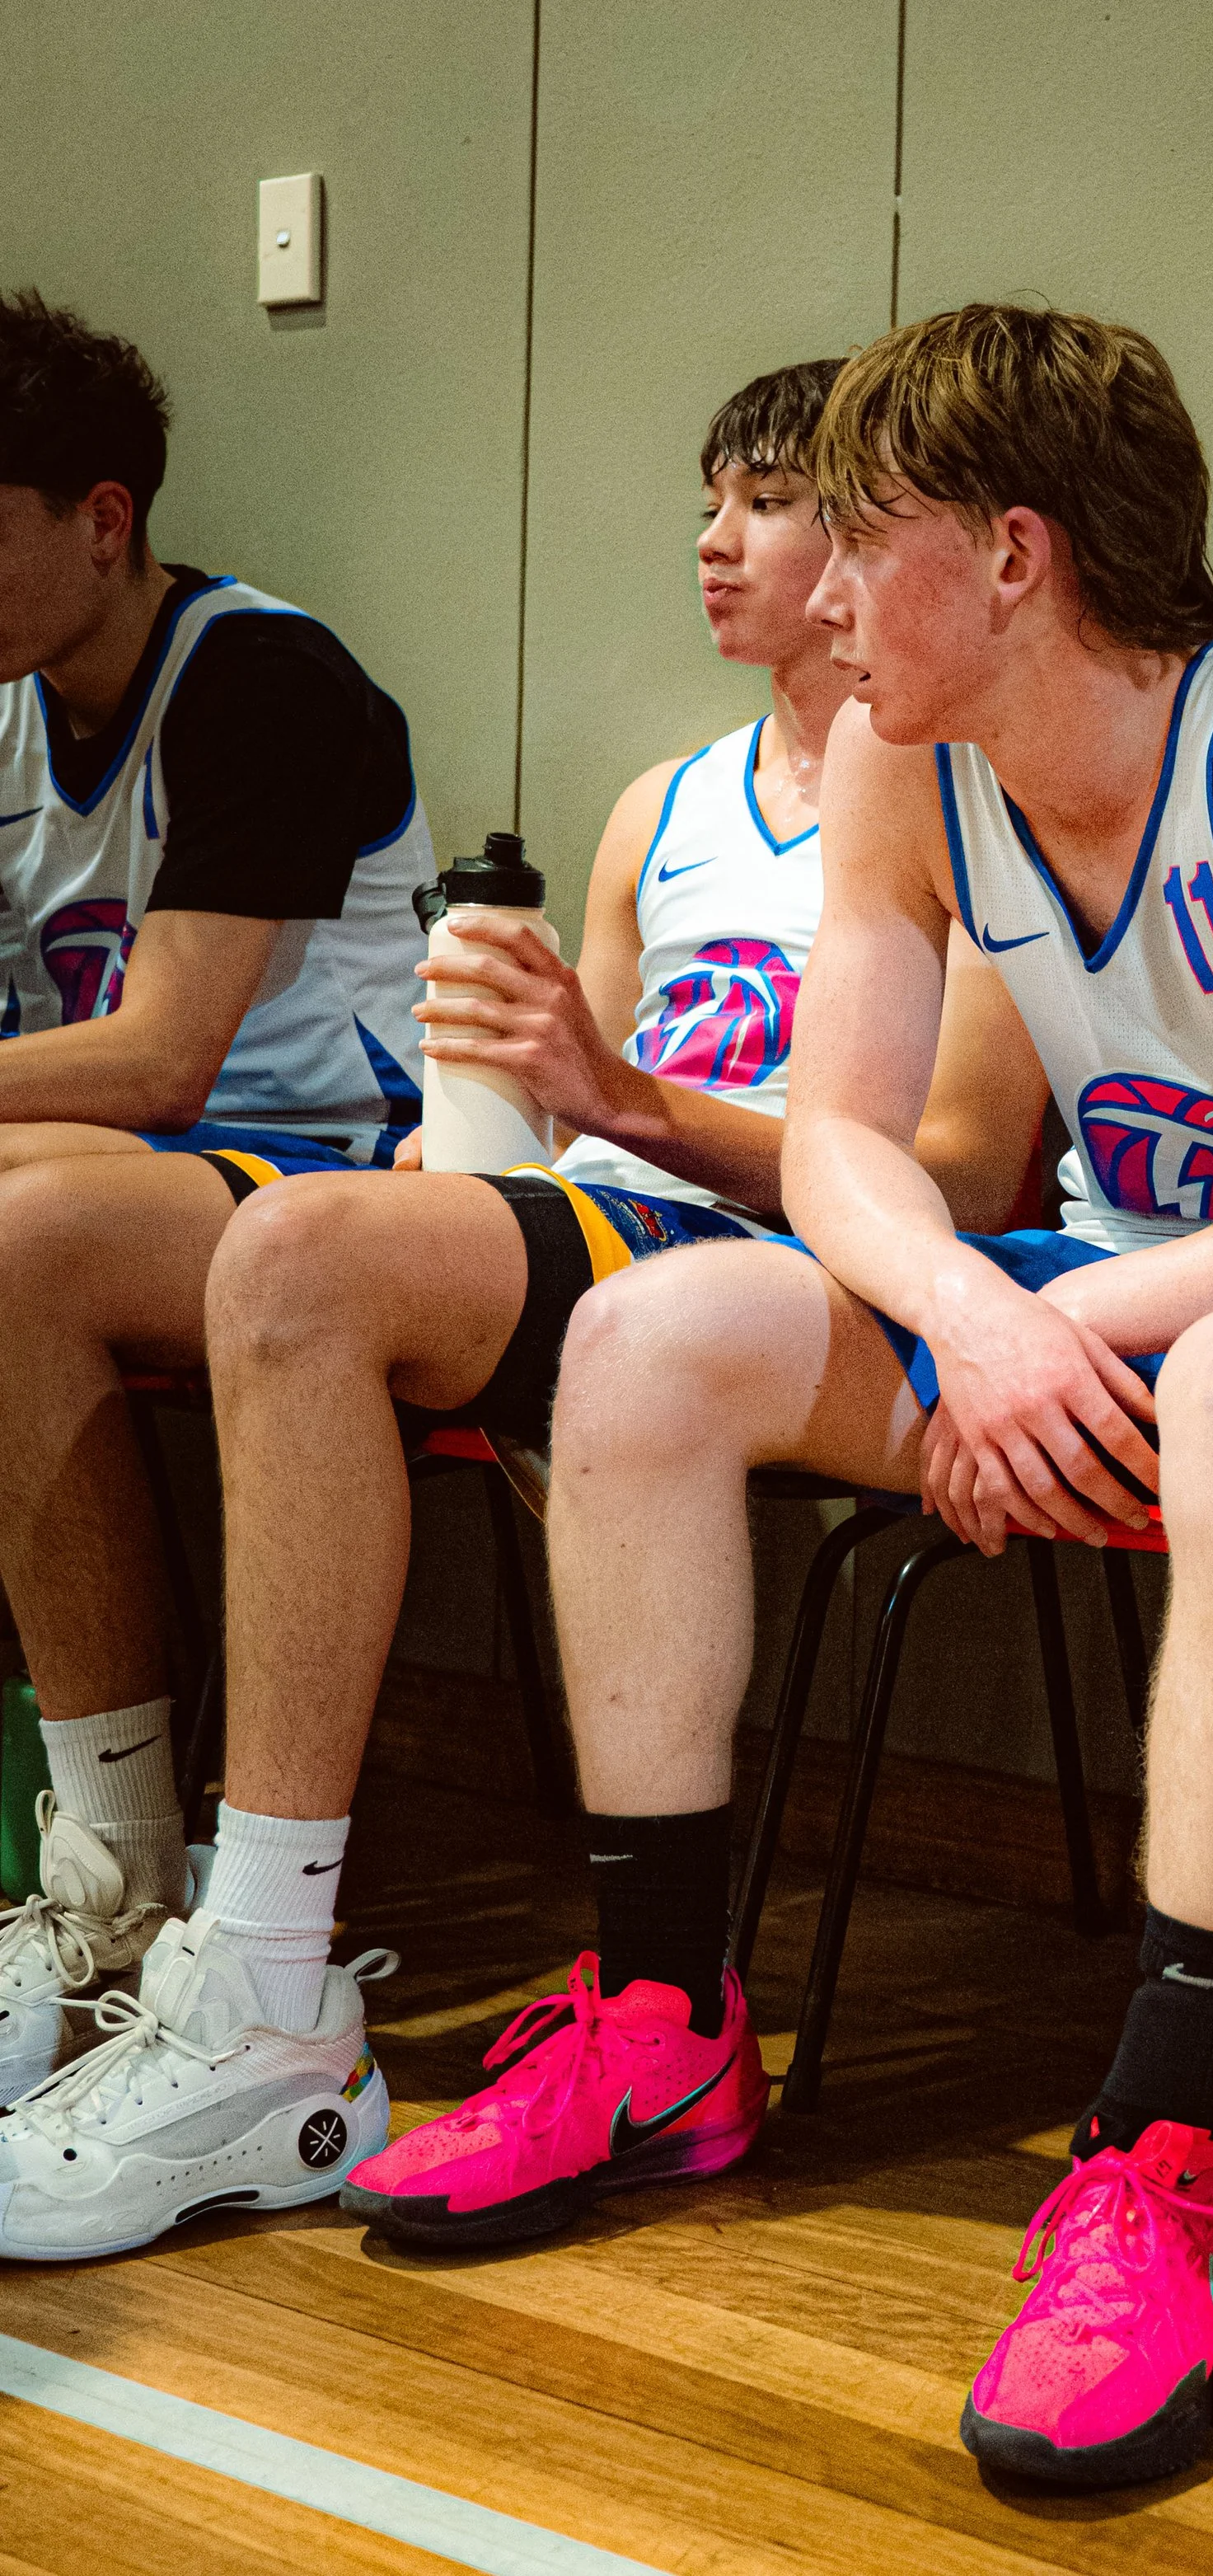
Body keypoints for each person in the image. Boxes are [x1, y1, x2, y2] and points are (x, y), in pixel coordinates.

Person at [331, 303, 1213, 2491]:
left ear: (1013, 552)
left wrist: (1069, 1317)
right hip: (1099, 1309)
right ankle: (659, 2015)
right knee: (648, 1336)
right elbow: (840, 1145)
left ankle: (1169, 2148)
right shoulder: (911, 757)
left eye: (858, 537)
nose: (810, 588)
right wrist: (983, 1321)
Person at [0, 355, 1039, 2259]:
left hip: (781, 1262)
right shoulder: (663, 804)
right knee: (99, 1253)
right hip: (588, 1221)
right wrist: (522, 1110)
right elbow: (555, 1109)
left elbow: (957, 1164)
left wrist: (615, 1099)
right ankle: (134, 1895)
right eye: (707, 498)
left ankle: (265, 1984)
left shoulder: (979, 799)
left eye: (774, 501)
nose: (718, 542)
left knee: (301, 1252)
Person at [0, 288, 428, 2104]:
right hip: (127, 1180)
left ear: (104, 520)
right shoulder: (9, 711)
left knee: (18, 1234)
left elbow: (168, 1055)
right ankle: (99, 1864)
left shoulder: (260, 675)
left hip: (334, 1177)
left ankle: (126, 1865)